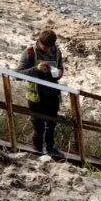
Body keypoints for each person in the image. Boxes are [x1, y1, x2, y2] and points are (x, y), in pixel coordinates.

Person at [17, 27, 64, 159]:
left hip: (53, 95)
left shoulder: (57, 51)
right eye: (45, 47)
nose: (47, 50)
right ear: (39, 42)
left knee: (51, 125)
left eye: (50, 47)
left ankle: (50, 149)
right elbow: (17, 75)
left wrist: (58, 73)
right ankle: (37, 150)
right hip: (36, 96)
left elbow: (60, 71)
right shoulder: (29, 52)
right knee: (38, 127)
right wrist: (36, 69)